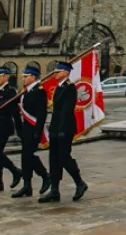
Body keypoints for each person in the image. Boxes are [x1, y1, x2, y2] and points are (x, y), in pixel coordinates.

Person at [39, 61, 88, 203]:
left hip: (65, 128)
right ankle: (54, 190)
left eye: (58, 71)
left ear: (66, 73)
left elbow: (66, 110)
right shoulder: (59, 88)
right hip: (55, 128)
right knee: (54, 159)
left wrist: (61, 129)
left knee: (64, 157)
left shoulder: (70, 88)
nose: (55, 73)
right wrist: (53, 128)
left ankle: (80, 183)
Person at [12, 66, 50, 198]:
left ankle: (45, 175)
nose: (23, 78)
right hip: (26, 128)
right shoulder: (25, 91)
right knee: (25, 156)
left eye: (26, 76)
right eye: (23, 76)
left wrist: (38, 131)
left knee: (28, 155)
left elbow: (42, 113)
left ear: (33, 77)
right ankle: (27, 186)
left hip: (34, 128)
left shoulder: (39, 91)